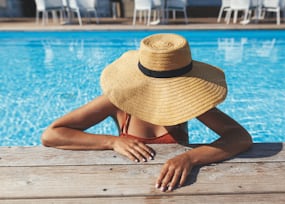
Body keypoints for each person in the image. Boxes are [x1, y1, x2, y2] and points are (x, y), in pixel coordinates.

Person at [41, 33, 253, 192]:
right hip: (123, 189)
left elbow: (240, 137)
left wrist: (190, 158)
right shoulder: (118, 98)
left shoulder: (188, 101)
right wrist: (112, 141)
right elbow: (52, 133)